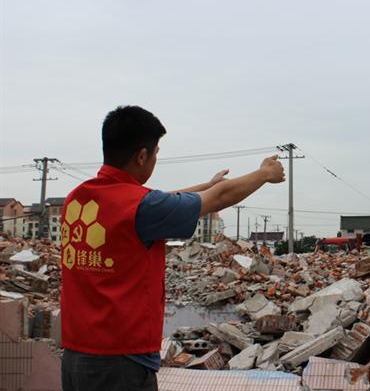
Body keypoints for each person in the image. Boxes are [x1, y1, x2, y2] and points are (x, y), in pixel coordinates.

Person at [60, 106, 285, 391]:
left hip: (75, 356)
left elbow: (159, 201)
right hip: (120, 364)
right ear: (142, 155)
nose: (154, 159)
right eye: (155, 153)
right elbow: (218, 199)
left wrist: (207, 184)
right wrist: (264, 173)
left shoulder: (78, 199)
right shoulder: (141, 207)